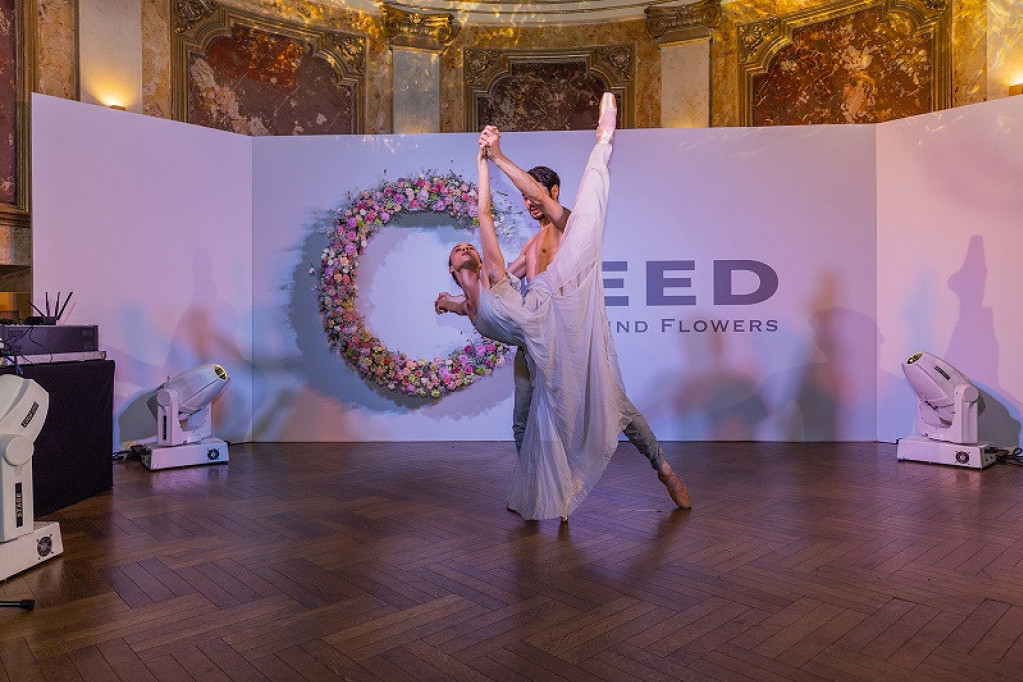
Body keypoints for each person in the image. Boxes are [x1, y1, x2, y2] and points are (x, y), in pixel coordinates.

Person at [435, 93, 691, 520]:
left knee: (617, 408)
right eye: (527, 200)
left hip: (567, 335)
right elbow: (492, 293)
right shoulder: (528, 248)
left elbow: (524, 202)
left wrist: (495, 157)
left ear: (551, 192)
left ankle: (664, 470)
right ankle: (535, 488)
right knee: (523, 418)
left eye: (536, 196)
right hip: (533, 339)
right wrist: (453, 301)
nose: (530, 204)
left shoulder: (567, 225)